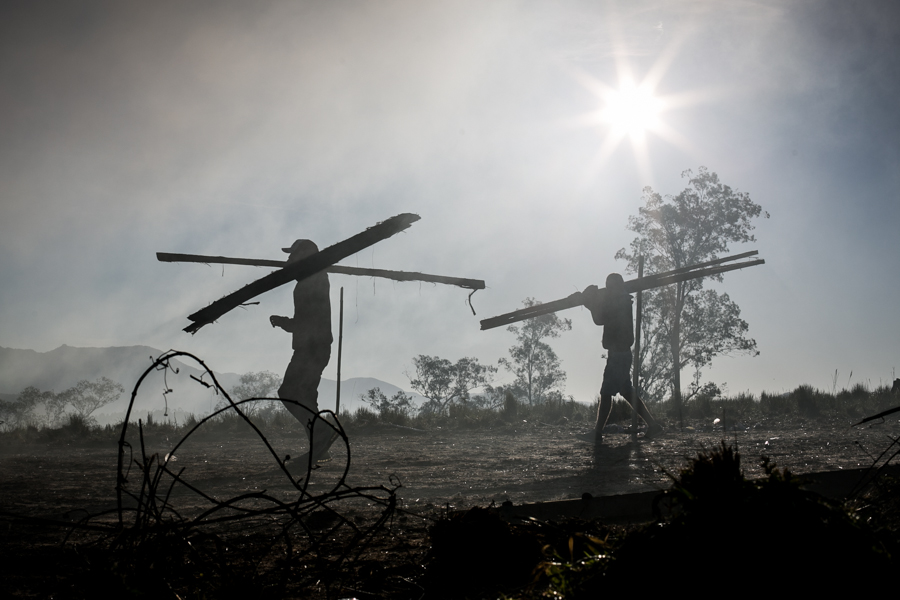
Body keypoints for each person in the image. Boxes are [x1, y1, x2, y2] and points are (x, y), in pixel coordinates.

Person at [269, 239, 338, 464]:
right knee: (305, 396)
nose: (288, 259)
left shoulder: (313, 280)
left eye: (293, 255)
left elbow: (308, 321)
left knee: (289, 392)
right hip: (313, 346)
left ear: (305, 256)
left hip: (311, 347)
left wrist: (284, 323)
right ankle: (320, 445)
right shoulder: (310, 279)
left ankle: (322, 433)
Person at [580, 272, 662, 444]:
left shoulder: (618, 301)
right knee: (627, 392)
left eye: (609, 286)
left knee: (606, 393)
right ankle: (653, 426)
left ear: (613, 287)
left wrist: (589, 302)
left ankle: (597, 433)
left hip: (618, 355)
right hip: (620, 354)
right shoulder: (622, 299)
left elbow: (599, 318)